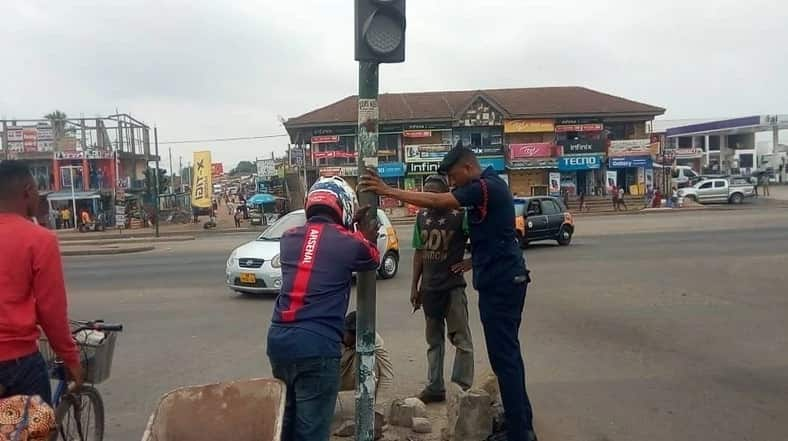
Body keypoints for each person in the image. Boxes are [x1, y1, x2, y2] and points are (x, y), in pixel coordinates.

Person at [360, 143, 538, 441]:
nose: (453, 183)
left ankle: (520, 433)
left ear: (468, 168)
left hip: (502, 283)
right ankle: (519, 419)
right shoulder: (489, 187)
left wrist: (387, 190)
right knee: (507, 357)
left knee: (504, 357)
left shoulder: (483, 187)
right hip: (505, 280)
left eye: (454, 176)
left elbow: (437, 200)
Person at [267, 176, 380, 441]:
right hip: (317, 345)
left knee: (285, 423)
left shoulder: (288, 238)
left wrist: (349, 227)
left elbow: (320, 245)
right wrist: (361, 232)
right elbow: (371, 257)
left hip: (279, 340)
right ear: (343, 207)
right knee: (312, 430)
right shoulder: (351, 243)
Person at [0, 161, 82, 405]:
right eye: (38, 191)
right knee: (34, 430)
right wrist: (70, 358)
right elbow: (51, 311)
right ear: (27, 191)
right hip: (17, 364)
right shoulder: (39, 240)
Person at [411, 174, 474, 403]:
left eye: (434, 193)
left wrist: (471, 261)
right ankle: (435, 387)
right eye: (426, 192)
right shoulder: (421, 216)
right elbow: (418, 253)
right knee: (433, 342)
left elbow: (483, 240)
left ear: (445, 195)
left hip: (453, 288)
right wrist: (414, 288)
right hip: (429, 290)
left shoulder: (461, 215)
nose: (429, 197)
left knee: (462, 341)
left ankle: (462, 389)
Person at [339, 311, 393, 397]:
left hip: (350, 374)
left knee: (374, 362)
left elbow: (386, 373)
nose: (349, 336)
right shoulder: (332, 333)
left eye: (354, 334)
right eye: (348, 332)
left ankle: (366, 403)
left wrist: (379, 408)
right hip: (329, 374)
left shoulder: (372, 338)